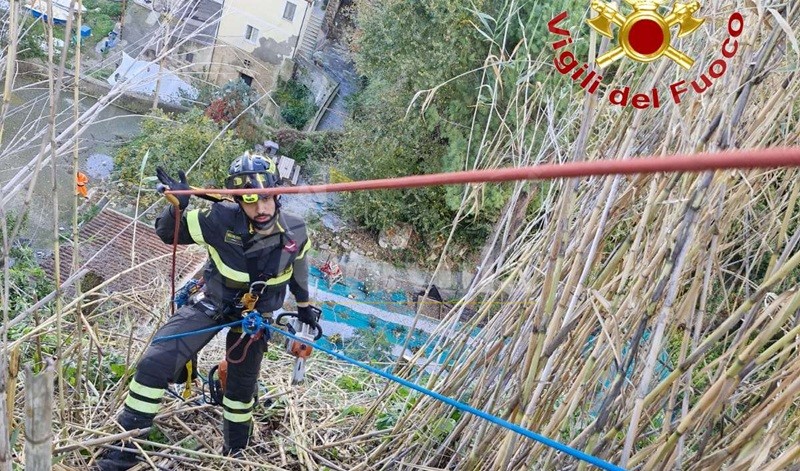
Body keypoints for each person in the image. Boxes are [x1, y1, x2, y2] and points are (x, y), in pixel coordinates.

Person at [96, 153, 318, 470]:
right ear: (239, 201)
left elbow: (299, 273)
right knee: (154, 363)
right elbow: (166, 232)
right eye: (252, 201)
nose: (262, 209)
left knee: (240, 393)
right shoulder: (219, 220)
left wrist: (305, 308)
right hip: (214, 302)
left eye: (267, 198)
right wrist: (179, 205)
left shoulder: (295, 231)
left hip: (254, 318)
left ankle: (236, 450)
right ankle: (124, 452)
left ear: (277, 193)